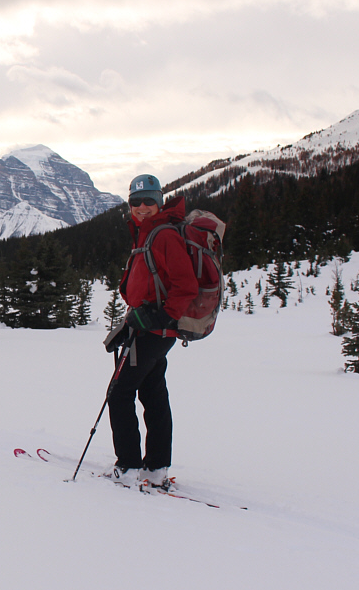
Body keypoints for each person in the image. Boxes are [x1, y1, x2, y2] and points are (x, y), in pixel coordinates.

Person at [108, 174, 199, 488]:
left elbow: (186, 286)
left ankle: (128, 468)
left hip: (155, 330)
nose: (142, 207)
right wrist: (134, 319)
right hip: (151, 329)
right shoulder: (146, 232)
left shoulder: (163, 235)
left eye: (149, 201)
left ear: (160, 202)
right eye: (136, 202)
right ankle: (156, 468)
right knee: (153, 394)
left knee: (119, 394)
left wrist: (159, 317)